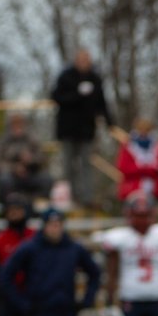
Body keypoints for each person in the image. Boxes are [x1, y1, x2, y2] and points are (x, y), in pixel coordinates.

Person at [51, 48, 114, 209]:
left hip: (87, 130)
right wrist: (77, 94)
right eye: (81, 59)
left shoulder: (95, 78)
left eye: (87, 59)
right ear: (76, 60)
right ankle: (70, 196)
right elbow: (57, 97)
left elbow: (102, 102)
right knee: (68, 164)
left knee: (86, 164)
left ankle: (87, 198)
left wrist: (110, 123)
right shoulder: (66, 77)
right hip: (67, 129)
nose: (84, 62)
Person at [0, 113, 51, 204]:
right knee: (4, 180)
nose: (17, 128)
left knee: (46, 179)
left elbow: (42, 157)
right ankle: (9, 208)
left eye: (20, 124)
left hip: (31, 172)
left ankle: (36, 205)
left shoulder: (32, 139)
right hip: (11, 175)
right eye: (15, 125)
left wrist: (31, 160)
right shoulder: (3, 140)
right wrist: (13, 168)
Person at [115, 117, 158, 202]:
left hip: (153, 192)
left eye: (147, 131)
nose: (144, 134)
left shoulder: (157, 146)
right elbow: (123, 167)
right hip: (132, 192)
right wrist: (148, 169)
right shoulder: (128, 146)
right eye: (141, 131)